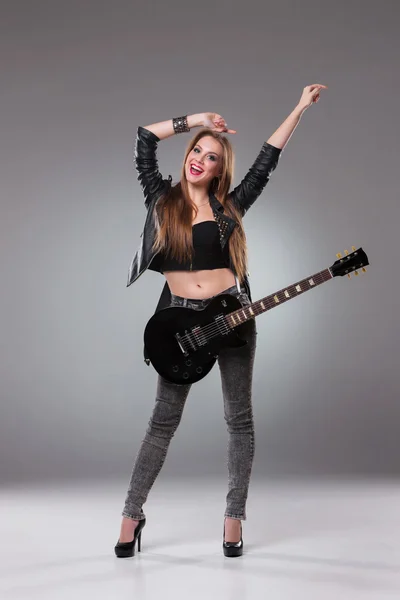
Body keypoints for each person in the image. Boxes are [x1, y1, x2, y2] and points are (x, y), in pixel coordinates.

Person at [114, 84, 327, 558]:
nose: (199, 160)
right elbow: (144, 139)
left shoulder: (231, 207)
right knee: (162, 423)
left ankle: (234, 518)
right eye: (197, 151)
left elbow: (267, 161)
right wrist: (195, 119)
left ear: (218, 169)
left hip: (233, 317)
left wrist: (298, 108)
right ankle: (131, 515)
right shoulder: (159, 198)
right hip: (175, 322)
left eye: (211, 157)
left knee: (239, 421)